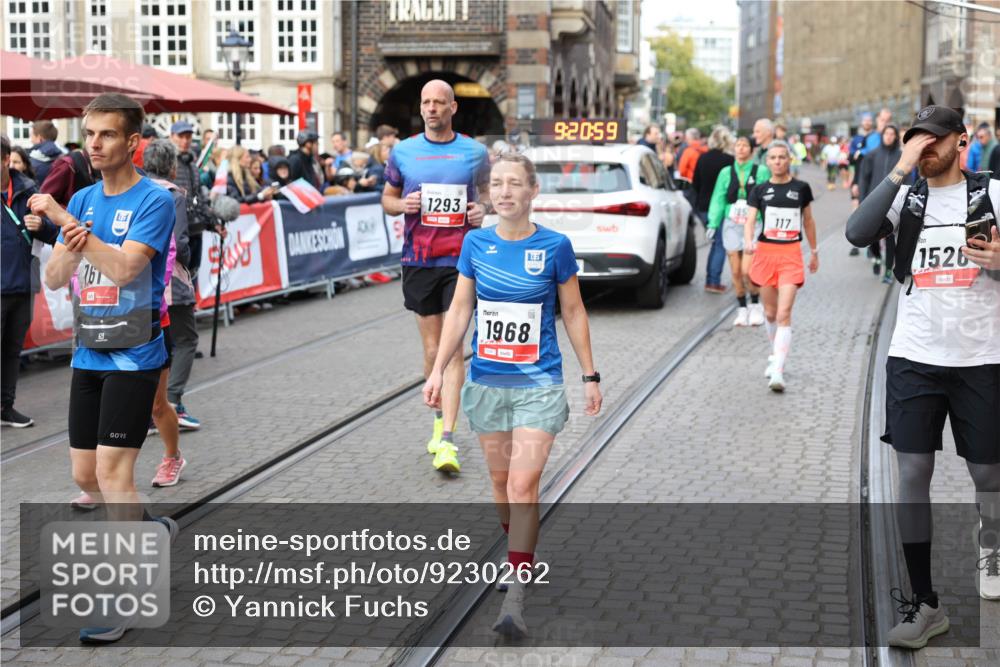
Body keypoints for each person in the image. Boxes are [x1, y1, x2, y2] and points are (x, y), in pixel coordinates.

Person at [422, 152, 602, 637]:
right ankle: (519, 548)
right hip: (487, 382)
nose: (504, 192)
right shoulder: (476, 243)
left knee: (524, 486)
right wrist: (438, 370)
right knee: (501, 487)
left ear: (532, 191)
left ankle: (517, 593)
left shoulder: (555, 246)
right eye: (496, 184)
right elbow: (460, 310)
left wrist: (590, 375)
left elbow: (574, 311)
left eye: (514, 183)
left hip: (538, 385)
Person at [845, 104, 1000, 649]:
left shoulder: (994, 194)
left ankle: (994, 545)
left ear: (961, 141)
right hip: (913, 357)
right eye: (915, 141)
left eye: (932, 141)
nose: (922, 149)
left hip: (983, 357)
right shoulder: (906, 198)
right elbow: (858, 231)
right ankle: (925, 603)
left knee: (988, 476)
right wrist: (898, 166)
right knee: (912, 472)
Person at [33, 93, 178, 643]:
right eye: (89, 134)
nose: (93, 144)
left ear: (132, 142)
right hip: (89, 350)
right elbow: (54, 280)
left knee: (117, 475)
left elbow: (121, 269)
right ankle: (150, 531)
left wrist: (75, 227)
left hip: (136, 353)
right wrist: (68, 239)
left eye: (107, 134)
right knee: (85, 476)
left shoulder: (155, 200)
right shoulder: (87, 198)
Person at [381, 79, 489, 472]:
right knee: (432, 351)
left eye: (439, 103)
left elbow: (489, 193)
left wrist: (483, 210)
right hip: (419, 259)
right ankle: (438, 418)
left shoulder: (475, 152)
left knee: (455, 348)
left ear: (452, 108)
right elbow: (387, 200)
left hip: (462, 260)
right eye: (426, 102)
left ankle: (447, 438)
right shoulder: (403, 152)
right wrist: (402, 204)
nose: (431, 109)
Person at [742, 140, 819, 392]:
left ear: (789, 160)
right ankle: (775, 354)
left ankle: (778, 370)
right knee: (770, 313)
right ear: (767, 162)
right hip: (765, 254)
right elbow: (750, 220)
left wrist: (814, 251)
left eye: (782, 157)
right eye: (773, 157)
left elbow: (808, 220)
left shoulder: (801, 188)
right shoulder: (760, 190)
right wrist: (748, 241)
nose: (778, 161)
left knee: (785, 313)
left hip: (791, 255)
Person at [1, 135, 60, 427]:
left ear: (4, 160)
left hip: (22, 284)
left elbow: (52, 234)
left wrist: (43, 226)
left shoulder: (27, 189)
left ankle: (5, 406)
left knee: (12, 350)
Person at [141, 139, 189, 487]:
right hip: (105, 320)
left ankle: (172, 456)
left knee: (158, 406)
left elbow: (173, 246)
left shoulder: (164, 197)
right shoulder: (90, 198)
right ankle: (99, 478)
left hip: (153, 314)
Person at [706, 135, 770, 326]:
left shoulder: (761, 171)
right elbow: (718, 197)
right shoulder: (726, 172)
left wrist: (768, 224)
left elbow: (767, 198)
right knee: (735, 271)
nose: (741, 149)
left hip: (754, 223)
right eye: (738, 145)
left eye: (744, 146)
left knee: (747, 271)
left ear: (751, 150)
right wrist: (712, 223)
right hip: (732, 223)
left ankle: (756, 305)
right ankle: (742, 307)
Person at [858, 124, 906, 283]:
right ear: (882, 135)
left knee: (890, 239)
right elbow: (864, 179)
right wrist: (862, 199)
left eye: (892, 134)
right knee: (871, 236)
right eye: (886, 133)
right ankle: (877, 257)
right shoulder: (872, 155)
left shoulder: (901, 156)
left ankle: (887, 271)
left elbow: (908, 178)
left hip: (893, 203)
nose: (889, 136)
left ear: (895, 137)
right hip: (873, 202)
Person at [692, 126, 735, 294]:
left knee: (715, 243)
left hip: (703, 207)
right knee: (720, 244)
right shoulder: (729, 161)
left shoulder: (702, 158)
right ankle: (713, 281)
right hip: (720, 208)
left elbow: (695, 182)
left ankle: (711, 279)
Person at [28, 120, 64, 185]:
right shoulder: (64, 158)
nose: (31, 140)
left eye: (31, 136)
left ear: (39, 138)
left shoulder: (30, 161)